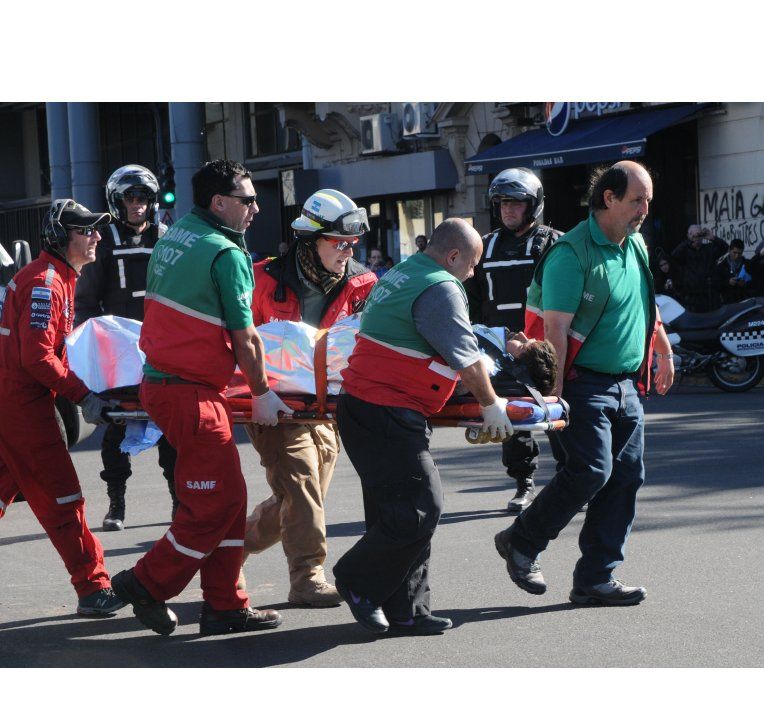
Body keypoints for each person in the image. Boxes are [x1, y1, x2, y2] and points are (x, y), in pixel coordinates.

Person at [110, 159, 289, 636]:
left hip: (171, 383)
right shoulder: (225, 253)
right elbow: (245, 338)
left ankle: (225, 605)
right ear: (220, 202)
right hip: (189, 391)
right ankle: (143, 583)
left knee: (230, 500)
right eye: (248, 200)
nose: (256, 208)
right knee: (212, 504)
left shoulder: (176, 236)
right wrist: (263, 392)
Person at [494, 161, 675, 607]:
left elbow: (644, 303)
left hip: (625, 384)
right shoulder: (571, 254)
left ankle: (595, 578)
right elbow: (555, 330)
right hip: (581, 382)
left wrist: (663, 349)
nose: (645, 209)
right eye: (637, 200)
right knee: (592, 470)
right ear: (608, 198)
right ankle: (521, 540)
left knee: (625, 477)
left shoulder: (634, 244)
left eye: (648, 200)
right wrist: (553, 395)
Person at [332, 218, 516, 636]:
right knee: (421, 509)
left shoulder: (403, 272)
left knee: (395, 511)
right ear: (453, 256)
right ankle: (357, 580)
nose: (473, 274)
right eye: (472, 264)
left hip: (371, 405)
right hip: (385, 410)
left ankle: (408, 609)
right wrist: (491, 405)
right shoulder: (441, 287)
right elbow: (465, 357)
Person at [245, 188, 376, 607]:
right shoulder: (262, 279)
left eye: (353, 244)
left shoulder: (363, 283)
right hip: (275, 403)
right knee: (301, 485)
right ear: (310, 239)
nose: (348, 251)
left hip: (328, 407)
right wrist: (258, 393)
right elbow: (239, 341)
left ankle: (229, 546)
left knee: (300, 497)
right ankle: (307, 577)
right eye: (340, 243)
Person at [0, 199, 125, 616]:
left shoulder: (56, 277)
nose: (96, 236)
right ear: (59, 237)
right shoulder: (46, 283)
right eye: (85, 230)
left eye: (96, 229)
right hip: (22, 407)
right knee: (64, 497)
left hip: (15, 401)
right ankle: (93, 588)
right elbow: (37, 358)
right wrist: (84, 396)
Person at [75, 164, 177, 532]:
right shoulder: (103, 240)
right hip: (118, 351)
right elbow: (85, 301)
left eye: (143, 197)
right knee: (116, 426)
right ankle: (116, 503)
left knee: (170, 427)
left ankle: (179, 502)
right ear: (116, 202)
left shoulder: (168, 238)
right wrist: (90, 347)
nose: (137, 204)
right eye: (129, 198)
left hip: (162, 346)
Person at [464, 168, 563, 515]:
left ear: (533, 205)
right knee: (512, 420)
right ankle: (524, 483)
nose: (508, 209)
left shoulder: (554, 243)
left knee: (557, 415)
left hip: (545, 349)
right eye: (503, 203)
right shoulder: (484, 246)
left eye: (516, 203)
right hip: (500, 350)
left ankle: (571, 479)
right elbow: (470, 297)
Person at [669, 224, 728, 311]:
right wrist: (689, 241)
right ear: (688, 236)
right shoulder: (685, 251)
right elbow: (674, 256)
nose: (696, 237)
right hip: (691, 297)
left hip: (709, 296)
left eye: (698, 235)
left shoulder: (708, 249)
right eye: (692, 234)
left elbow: (725, 248)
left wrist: (712, 238)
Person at [716, 238, 753, 303]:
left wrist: (745, 284)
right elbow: (716, 284)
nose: (737, 256)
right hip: (728, 301)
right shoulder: (722, 266)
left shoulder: (747, 264)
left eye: (739, 253)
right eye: (734, 253)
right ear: (729, 250)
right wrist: (728, 282)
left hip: (744, 300)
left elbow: (754, 282)